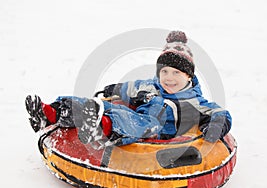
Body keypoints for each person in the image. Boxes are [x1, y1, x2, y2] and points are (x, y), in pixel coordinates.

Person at [25, 31, 232, 149]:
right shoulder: (150, 85)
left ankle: (102, 127)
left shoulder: (194, 102)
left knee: (139, 121)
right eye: (165, 71)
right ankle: (52, 113)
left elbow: (218, 113)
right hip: (133, 113)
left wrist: (216, 126)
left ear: (189, 76)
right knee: (105, 105)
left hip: (154, 129)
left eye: (176, 73)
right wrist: (113, 88)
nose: (169, 78)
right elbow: (129, 88)